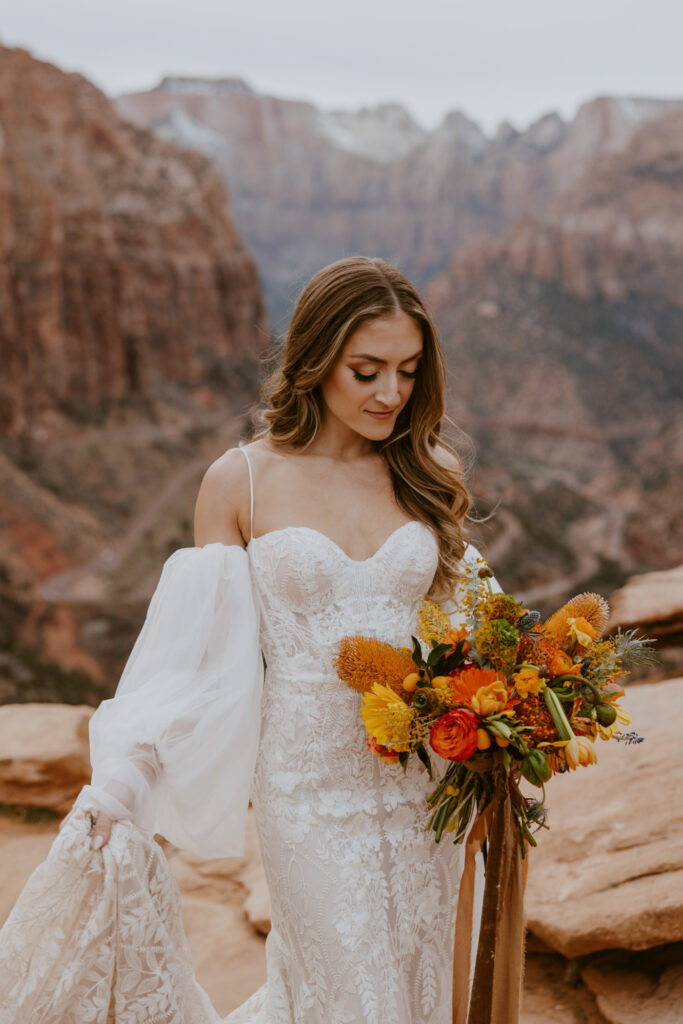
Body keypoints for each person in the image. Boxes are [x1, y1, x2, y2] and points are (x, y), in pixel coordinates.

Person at [0, 255, 503, 1023]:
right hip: (306, 789)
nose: (390, 394)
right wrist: (125, 778)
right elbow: (194, 659)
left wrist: (519, 711)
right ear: (314, 362)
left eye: (406, 371)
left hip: (424, 788)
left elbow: (477, 626)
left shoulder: (424, 469)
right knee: (357, 995)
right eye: (365, 371)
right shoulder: (241, 481)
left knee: (416, 982)